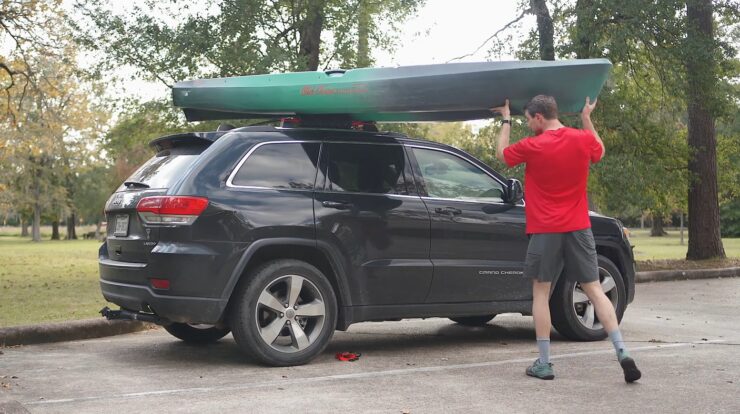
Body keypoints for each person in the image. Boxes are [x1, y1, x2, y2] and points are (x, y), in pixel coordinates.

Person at [490, 95, 641, 383]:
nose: (528, 124)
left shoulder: (533, 145)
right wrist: (586, 118)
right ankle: (622, 352)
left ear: (538, 117)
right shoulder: (581, 139)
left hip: (546, 229)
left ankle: (544, 363)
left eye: (527, 119)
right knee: (595, 289)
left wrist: (506, 118)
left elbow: (502, 154)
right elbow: (601, 150)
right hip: (578, 227)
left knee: (541, 293)